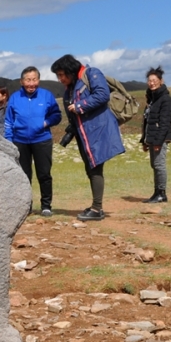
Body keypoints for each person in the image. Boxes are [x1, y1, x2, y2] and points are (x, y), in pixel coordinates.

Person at [50, 54, 124, 222]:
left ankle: (97, 209)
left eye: (62, 75)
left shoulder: (91, 74)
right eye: (58, 76)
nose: (60, 79)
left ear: (70, 70)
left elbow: (102, 94)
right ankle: (96, 206)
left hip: (97, 130)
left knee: (95, 168)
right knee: (91, 168)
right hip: (85, 133)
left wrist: (79, 106)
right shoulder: (71, 86)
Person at [4, 66, 62, 217]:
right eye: (28, 80)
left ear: (39, 80)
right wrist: (9, 142)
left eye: (34, 79)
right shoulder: (15, 98)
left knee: (44, 174)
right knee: (23, 175)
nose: (31, 83)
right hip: (19, 141)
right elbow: (9, 122)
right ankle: (25, 206)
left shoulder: (46, 96)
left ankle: (46, 205)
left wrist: (45, 123)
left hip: (42, 140)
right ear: (22, 82)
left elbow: (57, 115)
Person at [139, 66, 171, 204]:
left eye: (154, 80)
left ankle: (161, 193)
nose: (151, 83)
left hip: (160, 139)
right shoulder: (151, 99)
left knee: (159, 165)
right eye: (149, 80)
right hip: (152, 138)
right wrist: (145, 141)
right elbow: (147, 121)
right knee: (155, 165)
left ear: (161, 81)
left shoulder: (165, 99)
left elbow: (165, 123)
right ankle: (156, 193)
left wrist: (159, 142)